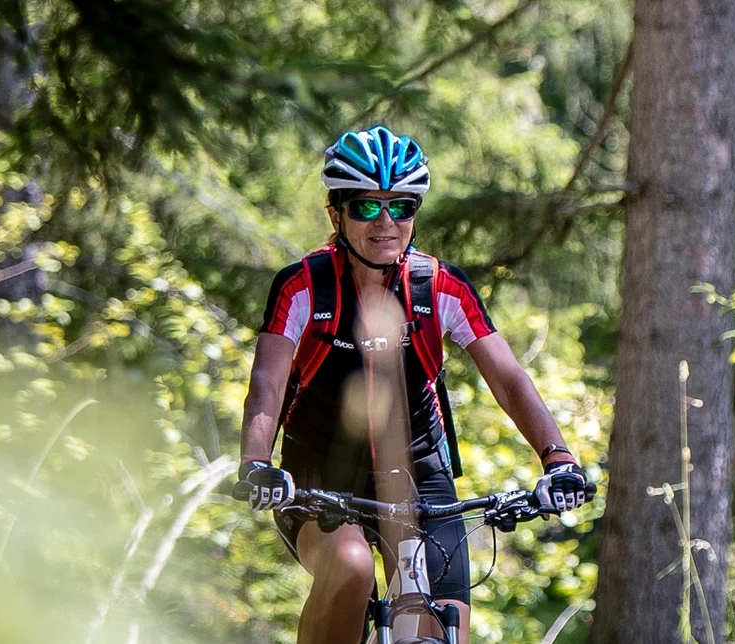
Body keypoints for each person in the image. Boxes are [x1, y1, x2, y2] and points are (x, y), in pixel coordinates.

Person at [234, 125, 592, 644]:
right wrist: (255, 464)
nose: (385, 222)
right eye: (366, 208)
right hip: (320, 472)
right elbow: (266, 382)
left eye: (400, 207)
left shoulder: (439, 286)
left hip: (420, 475)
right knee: (352, 568)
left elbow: (509, 379)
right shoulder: (305, 286)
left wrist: (558, 459)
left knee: (440, 629)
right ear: (336, 214)